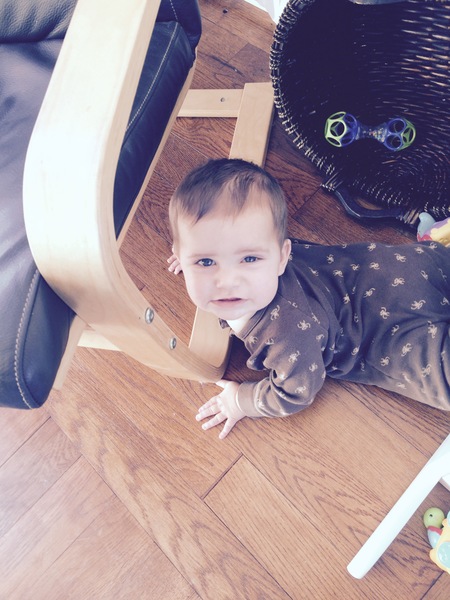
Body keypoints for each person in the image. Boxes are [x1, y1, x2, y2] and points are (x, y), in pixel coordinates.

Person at [167, 158, 450, 439]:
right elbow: (228, 239)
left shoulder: (286, 334)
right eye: (206, 261)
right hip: (413, 265)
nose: (227, 281)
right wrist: (193, 253)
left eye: (249, 259)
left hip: (398, 337)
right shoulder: (262, 242)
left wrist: (241, 401)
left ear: (282, 257)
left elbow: (295, 393)